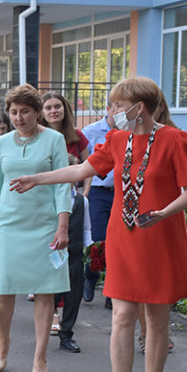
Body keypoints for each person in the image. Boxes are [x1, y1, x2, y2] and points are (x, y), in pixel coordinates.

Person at [10, 76, 187, 372]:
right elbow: (82, 169)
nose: (112, 112)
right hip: (125, 237)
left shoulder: (178, 140)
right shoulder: (116, 140)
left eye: (117, 105)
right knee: (122, 316)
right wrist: (37, 178)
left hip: (160, 237)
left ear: (138, 108)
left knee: (157, 323)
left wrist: (163, 212)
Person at [0, 84, 71, 372]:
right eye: (14, 112)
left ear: (37, 111)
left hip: (44, 225)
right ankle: (4, 340)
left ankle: (40, 356)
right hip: (8, 225)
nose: (18, 117)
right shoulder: (2, 142)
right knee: (2, 288)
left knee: (45, 289)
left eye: (24, 112)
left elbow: (63, 184)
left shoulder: (54, 140)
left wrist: (63, 225)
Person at [53, 154, 91, 353]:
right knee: (51, 294)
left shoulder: (81, 201)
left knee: (73, 296)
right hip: (53, 256)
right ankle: (46, 325)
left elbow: (86, 228)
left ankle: (66, 334)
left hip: (75, 254)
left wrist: (89, 248)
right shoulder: (49, 199)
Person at [81, 103, 115, 308]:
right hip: (99, 191)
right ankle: (91, 276)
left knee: (118, 243)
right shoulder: (91, 132)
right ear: (108, 108)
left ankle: (112, 292)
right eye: (116, 108)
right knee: (100, 240)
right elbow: (83, 166)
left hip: (122, 192)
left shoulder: (131, 133)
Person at [41, 92, 89, 163]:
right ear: (41, 112)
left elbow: (87, 168)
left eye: (57, 107)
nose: (53, 111)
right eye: (48, 108)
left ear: (65, 109)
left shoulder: (77, 135)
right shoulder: (36, 137)